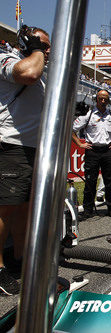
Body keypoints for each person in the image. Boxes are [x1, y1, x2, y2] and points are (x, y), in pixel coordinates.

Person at [0, 25, 50, 295]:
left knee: (24, 208)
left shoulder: (44, 69)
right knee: (5, 209)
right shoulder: (7, 59)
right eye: (43, 44)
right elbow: (28, 73)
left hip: (34, 148)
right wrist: (36, 50)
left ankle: (18, 260)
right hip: (10, 145)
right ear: (27, 42)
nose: (48, 50)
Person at [72, 89, 111, 219]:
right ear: (96, 99)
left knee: (110, 181)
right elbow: (72, 130)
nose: (103, 101)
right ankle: (88, 210)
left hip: (108, 151)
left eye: (105, 99)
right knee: (90, 181)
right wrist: (80, 144)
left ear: (109, 101)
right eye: (100, 98)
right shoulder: (88, 115)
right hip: (92, 151)